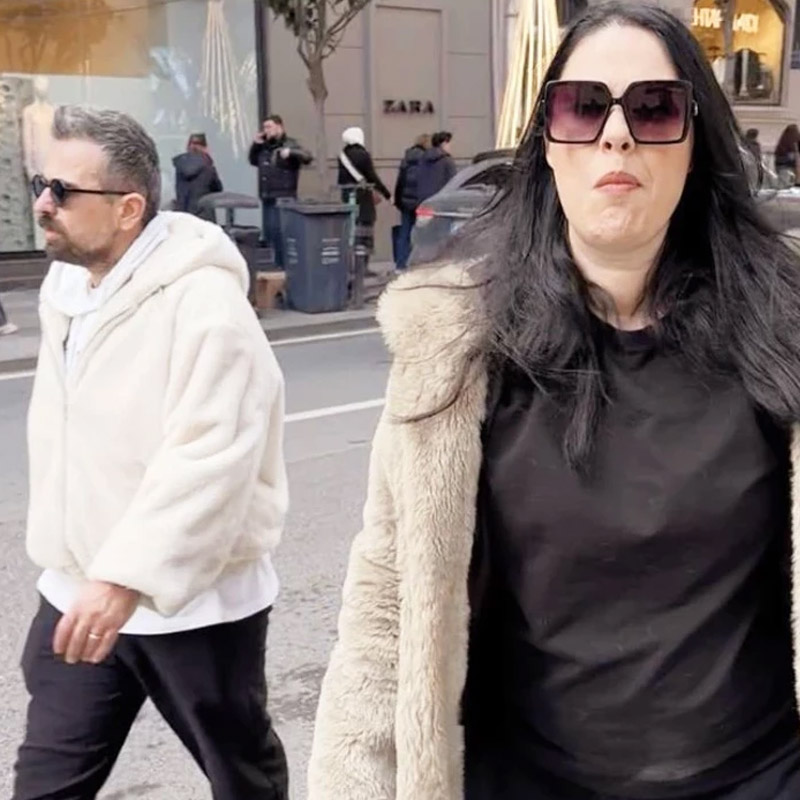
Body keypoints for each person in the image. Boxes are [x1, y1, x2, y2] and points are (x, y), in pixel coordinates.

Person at [308, 3, 800, 799]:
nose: (617, 136)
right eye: (583, 107)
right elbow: (386, 606)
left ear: (696, 142)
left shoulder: (783, 326)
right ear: (547, 140)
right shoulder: (459, 347)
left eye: (653, 108)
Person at [14, 106, 289, 800]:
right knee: (46, 782)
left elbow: (211, 458)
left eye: (63, 191)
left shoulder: (205, 307)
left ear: (128, 208)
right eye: (41, 184)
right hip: (80, 590)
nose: (43, 204)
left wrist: (126, 578)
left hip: (195, 604)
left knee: (242, 776)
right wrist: (91, 576)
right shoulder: (67, 288)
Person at [248, 114, 312, 267]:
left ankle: (285, 265)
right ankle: (276, 265)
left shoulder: (290, 144)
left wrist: (291, 153)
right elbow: (253, 160)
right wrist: (255, 145)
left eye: (269, 127)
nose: (266, 130)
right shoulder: (264, 146)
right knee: (270, 232)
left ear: (279, 127)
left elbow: (307, 157)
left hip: (284, 196)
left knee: (283, 233)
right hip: (267, 196)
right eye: (265, 127)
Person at [337, 126, 391, 262]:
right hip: (363, 197)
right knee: (365, 230)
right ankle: (363, 264)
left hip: (347, 196)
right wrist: (387, 194)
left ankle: (350, 263)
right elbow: (372, 177)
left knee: (350, 231)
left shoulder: (342, 155)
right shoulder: (363, 154)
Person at [393, 133, 431, 271]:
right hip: (420, 201)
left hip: (405, 202)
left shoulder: (407, 158)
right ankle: (417, 264)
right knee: (422, 234)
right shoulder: (427, 159)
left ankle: (400, 264)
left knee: (404, 233)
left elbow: (400, 181)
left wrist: (398, 200)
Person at [173, 132, 223, 221]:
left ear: (188, 147)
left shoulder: (180, 165)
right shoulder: (208, 166)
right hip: (204, 219)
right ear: (205, 148)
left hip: (182, 218)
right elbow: (218, 189)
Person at [417, 129, 457, 202]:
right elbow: (454, 182)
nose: (450, 146)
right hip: (441, 200)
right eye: (449, 143)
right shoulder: (447, 160)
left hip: (423, 200)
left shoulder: (423, 158)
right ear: (444, 143)